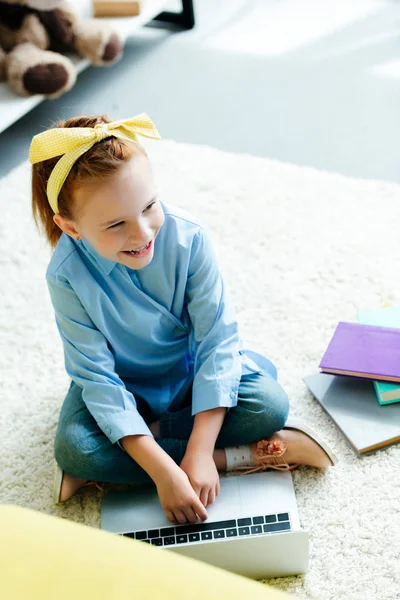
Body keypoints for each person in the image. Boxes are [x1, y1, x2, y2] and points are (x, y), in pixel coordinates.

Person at [29, 113, 337, 525]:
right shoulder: (65, 275)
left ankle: (157, 449)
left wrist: (196, 453)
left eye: (149, 206)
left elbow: (218, 342)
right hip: (124, 387)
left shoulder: (190, 238)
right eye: (116, 224)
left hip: (190, 375)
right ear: (70, 227)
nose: (141, 233)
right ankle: (239, 456)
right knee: (75, 450)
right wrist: (164, 472)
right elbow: (97, 379)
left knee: (269, 406)